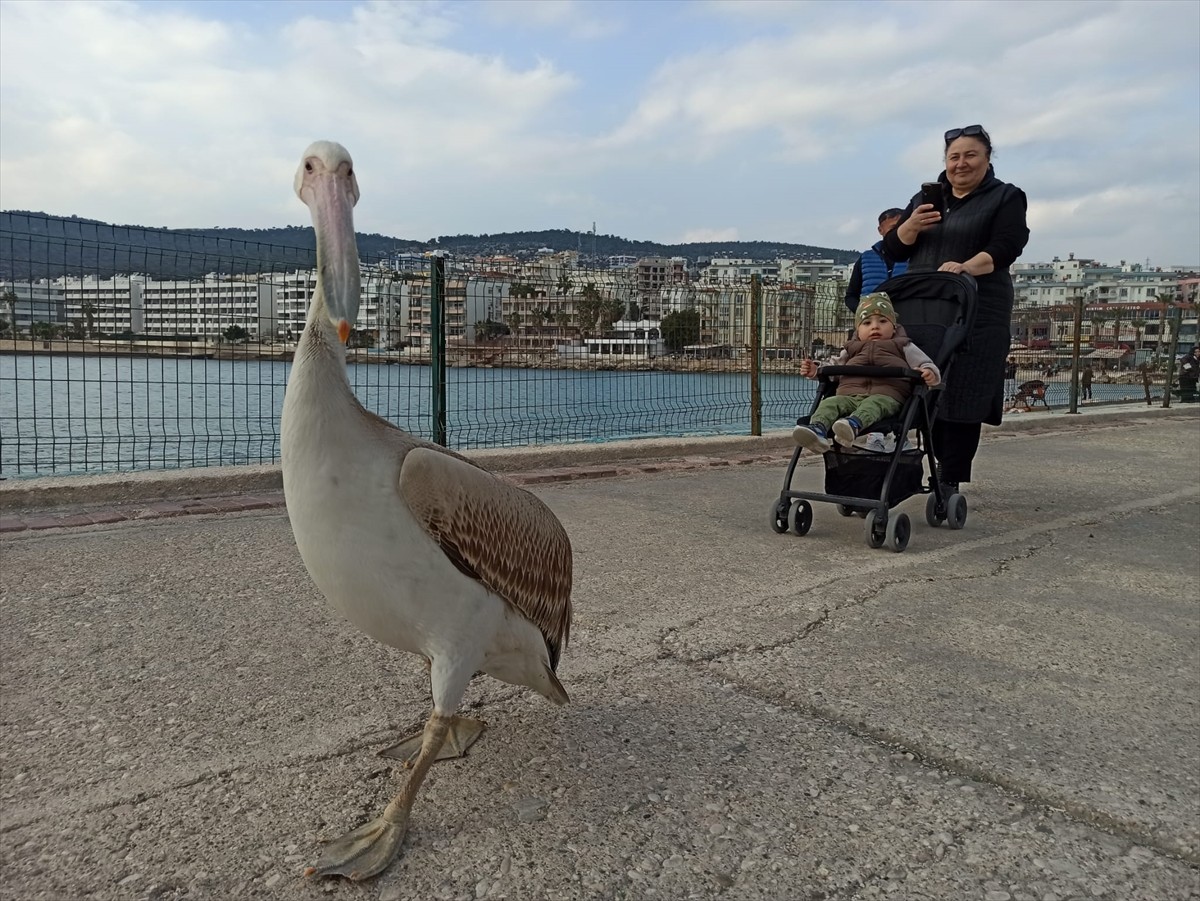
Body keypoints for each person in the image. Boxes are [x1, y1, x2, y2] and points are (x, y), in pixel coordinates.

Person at [883, 124, 1029, 493]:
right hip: (923, 305)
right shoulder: (925, 198)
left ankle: (949, 477)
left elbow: (1008, 245)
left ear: (987, 158)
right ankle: (902, 467)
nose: (961, 163)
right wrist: (910, 227)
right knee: (917, 384)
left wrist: (966, 266)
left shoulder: (1005, 197)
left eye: (970, 155)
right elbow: (893, 250)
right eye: (954, 157)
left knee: (964, 390)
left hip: (979, 305)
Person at [793, 293, 940, 453]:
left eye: (883, 321)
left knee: (873, 405)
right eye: (867, 323)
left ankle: (853, 425)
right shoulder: (851, 349)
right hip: (848, 396)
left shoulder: (903, 346)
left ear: (894, 327)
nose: (875, 327)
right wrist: (816, 370)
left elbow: (925, 363)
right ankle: (818, 429)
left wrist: (928, 372)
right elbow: (833, 368)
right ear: (858, 330)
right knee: (830, 403)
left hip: (886, 396)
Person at [843, 208, 909, 312]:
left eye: (902, 226)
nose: (898, 231)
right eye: (893, 228)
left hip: (910, 319)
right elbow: (851, 296)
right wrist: (864, 313)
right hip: (874, 322)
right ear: (880, 230)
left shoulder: (918, 255)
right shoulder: (866, 259)